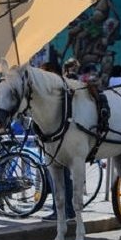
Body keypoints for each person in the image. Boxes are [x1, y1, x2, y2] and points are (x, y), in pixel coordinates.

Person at [37, 62, 76, 221]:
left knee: (60, 176)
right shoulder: (57, 90)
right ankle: (65, 209)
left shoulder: (58, 92)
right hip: (56, 140)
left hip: (60, 141)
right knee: (58, 176)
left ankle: (64, 210)